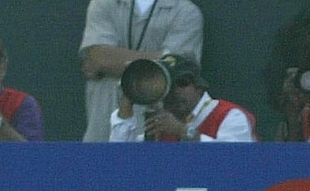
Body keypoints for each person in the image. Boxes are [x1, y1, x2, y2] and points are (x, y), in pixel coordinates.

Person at [78, 0, 205, 141]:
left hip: (155, 131)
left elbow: (176, 69)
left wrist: (110, 63)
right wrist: (156, 62)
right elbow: (97, 57)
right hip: (101, 130)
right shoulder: (102, 4)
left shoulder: (186, 12)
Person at [108, 53, 254, 142]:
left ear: (199, 86)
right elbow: (120, 158)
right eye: (168, 87)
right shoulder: (161, 125)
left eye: (182, 83)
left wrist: (183, 132)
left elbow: (235, 159)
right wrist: (127, 103)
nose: (174, 92)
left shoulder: (229, 115)